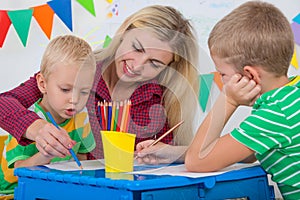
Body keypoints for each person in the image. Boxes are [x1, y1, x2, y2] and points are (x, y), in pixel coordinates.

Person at [0, 5, 200, 159]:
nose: (137, 65)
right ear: (124, 33)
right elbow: (4, 103)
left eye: (154, 63)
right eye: (137, 48)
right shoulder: (80, 68)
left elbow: (177, 158)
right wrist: (36, 128)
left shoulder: (161, 98)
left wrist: (171, 154)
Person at [184, 1, 299, 199]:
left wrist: (228, 100)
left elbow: (196, 162)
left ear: (250, 76)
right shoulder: (291, 97)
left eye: (223, 74)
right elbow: (245, 153)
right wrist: (175, 152)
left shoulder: (276, 113)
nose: (221, 80)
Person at [0, 35, 96, 194]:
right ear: (42, 84)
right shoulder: (26, 120)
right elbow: (19, 173)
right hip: (13, 192)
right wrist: (46, 155)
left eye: (84, 91)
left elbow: (82, 158)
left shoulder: (81, 117)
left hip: (53, 188)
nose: (75, 99)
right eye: (65, 89)